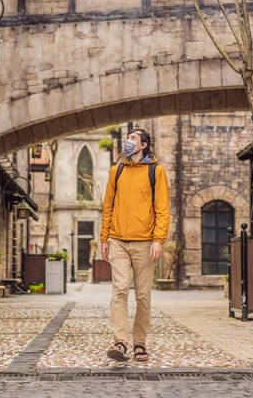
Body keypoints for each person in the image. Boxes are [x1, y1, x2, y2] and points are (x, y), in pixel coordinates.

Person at [100, 128, 170, 362]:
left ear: (143, 145)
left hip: (145, 242)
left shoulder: (156, 172)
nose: (128, 142)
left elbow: (162, 209)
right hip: (118, 241)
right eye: (128, 138)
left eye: (132, 138)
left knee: (142, 296)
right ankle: (120, 341)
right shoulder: (116, 171)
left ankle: (140, 343)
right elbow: (108, 206)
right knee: (119, 290)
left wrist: (159, 240)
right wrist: (104, 238)